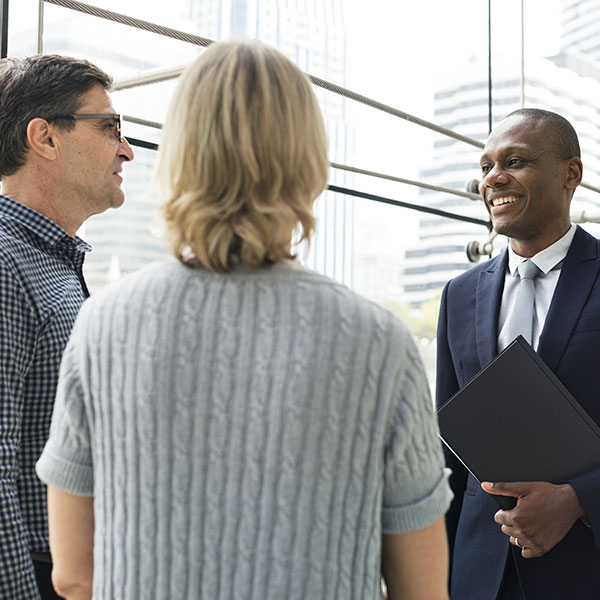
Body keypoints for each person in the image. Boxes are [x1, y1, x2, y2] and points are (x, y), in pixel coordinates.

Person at [36, 40, 452, 600]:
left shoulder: (103, 326)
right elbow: (421, 590)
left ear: (182, 154)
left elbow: (74, 574)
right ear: (308, 160)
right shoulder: (379, 342)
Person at [436, 108, 600, 600]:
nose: (494, 178)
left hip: (585, 570)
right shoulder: (458, 294)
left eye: (516, 161)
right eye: (486, 166)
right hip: (474, 574)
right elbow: (446, 449)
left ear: (571, 174)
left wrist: (578, 500)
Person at [0, 54, 134, 599]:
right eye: (110, 128)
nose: (126, 149)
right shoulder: (6, 261)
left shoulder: (52, 261)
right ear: (45, 138)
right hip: (35, 574)